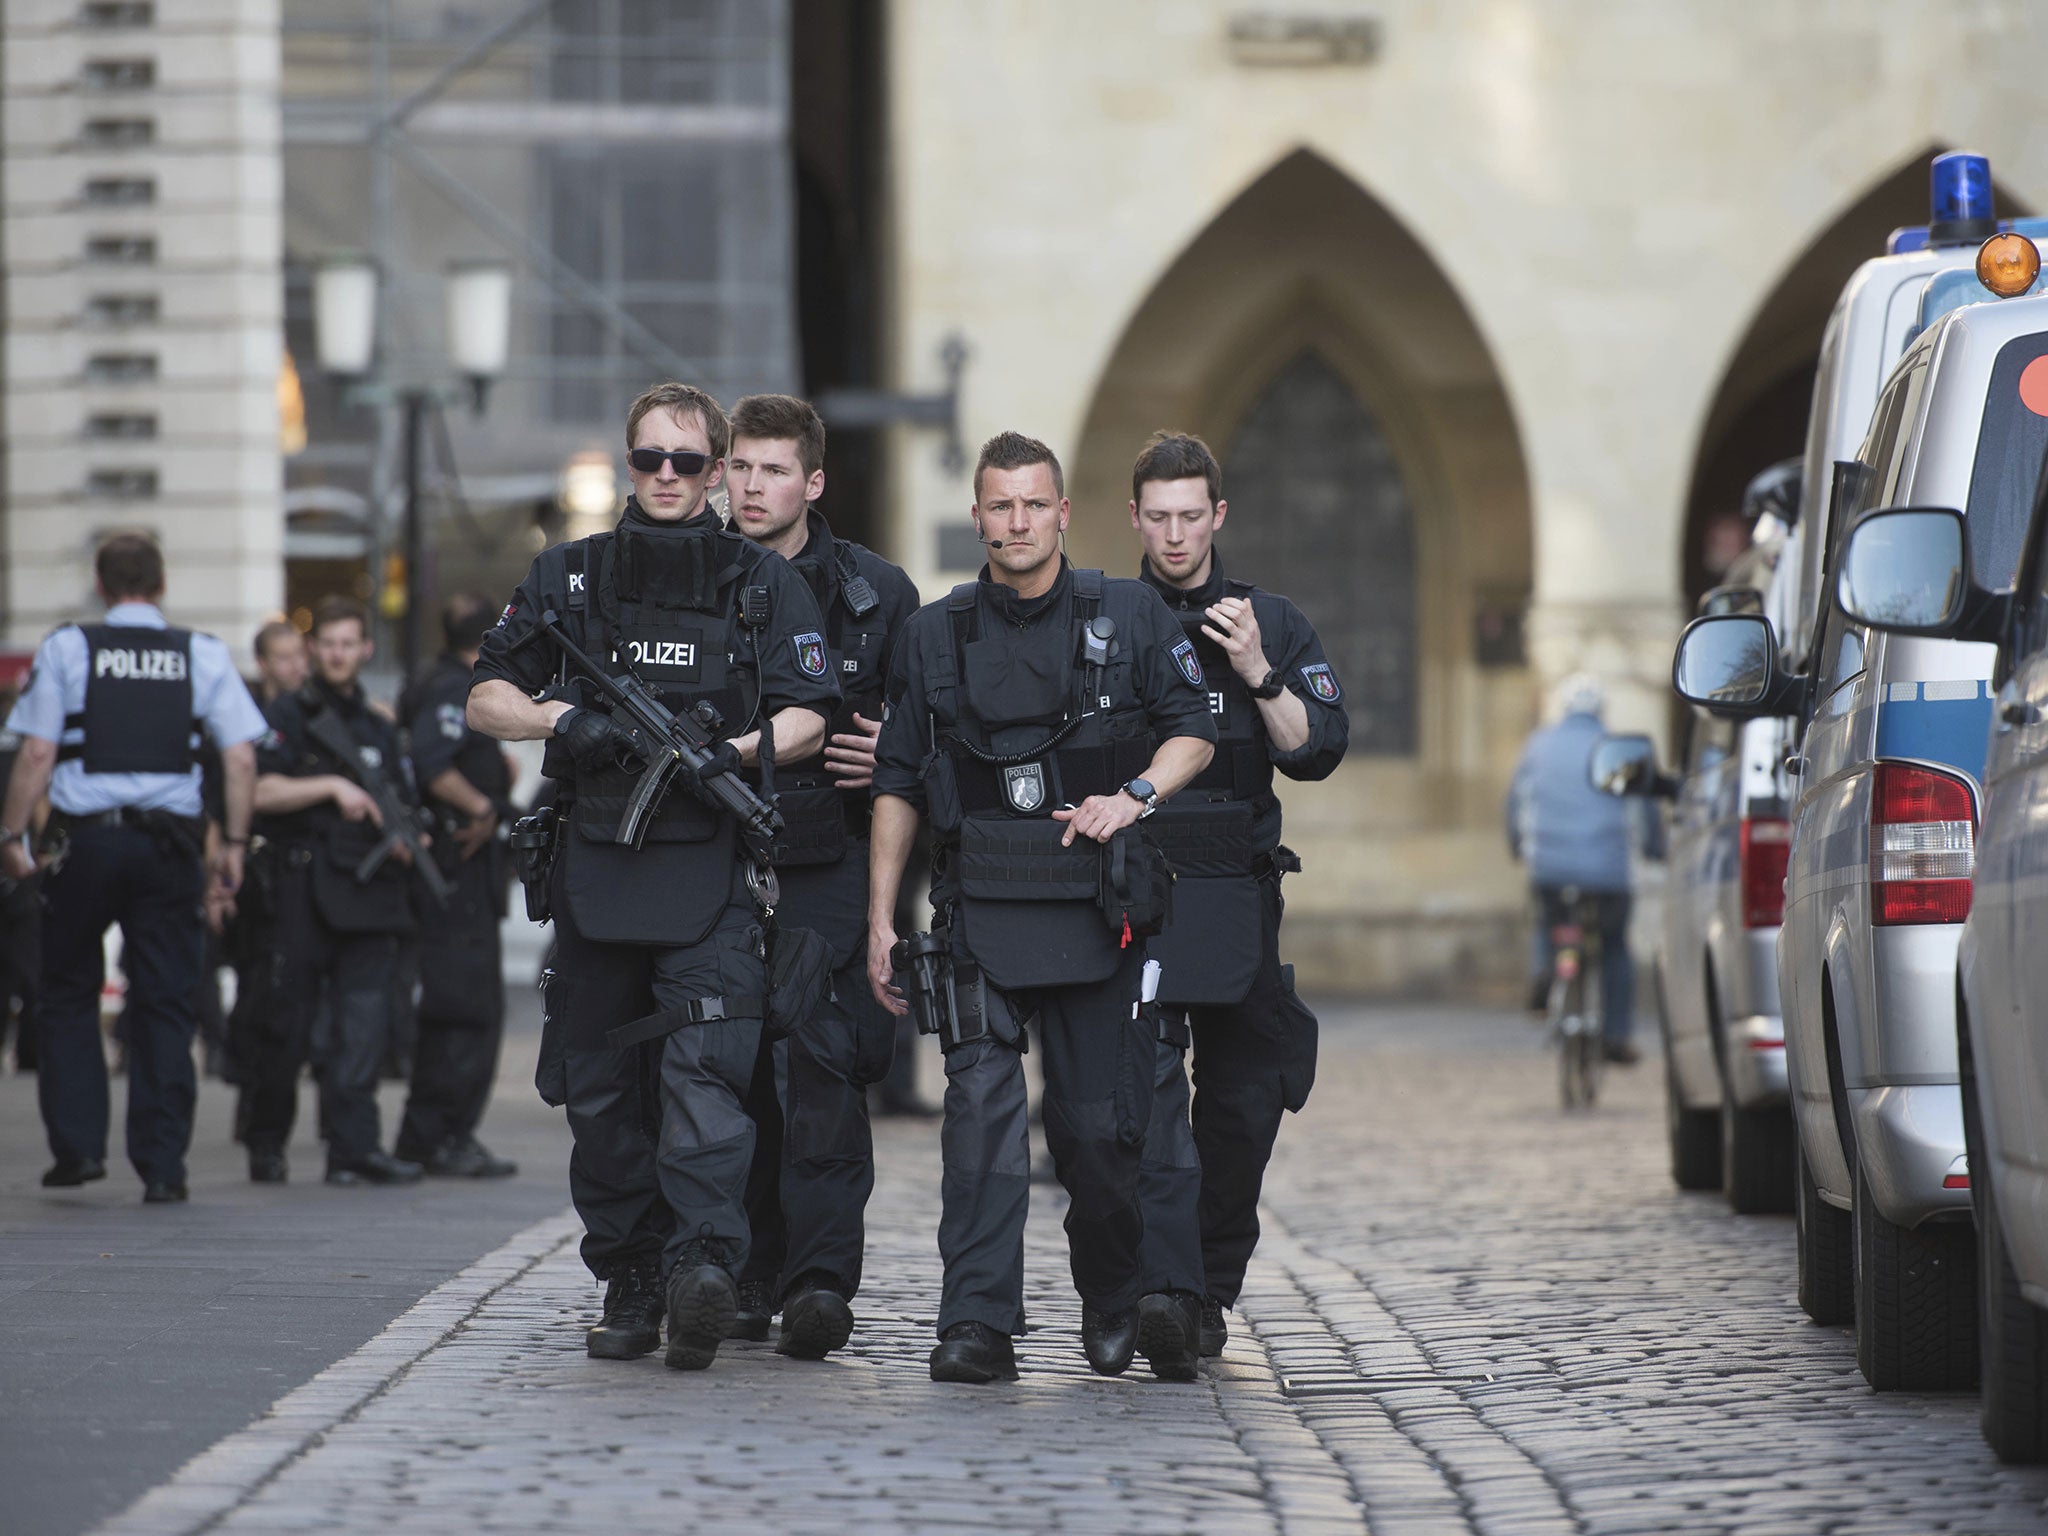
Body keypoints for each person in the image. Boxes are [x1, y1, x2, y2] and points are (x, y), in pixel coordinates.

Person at [469, 381, 838, 1372]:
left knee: (707, 1079)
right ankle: (630, 1277)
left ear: (717, 470)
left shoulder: (760, 583)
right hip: (596, 872)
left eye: (685, 461)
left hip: (710, 878)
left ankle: (703, 1267)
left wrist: (739, 749)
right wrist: (560, 719)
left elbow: (813, 707)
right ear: (628, 463)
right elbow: (485, 694)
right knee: (600, 1095)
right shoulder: (568, 577)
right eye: (647, 460)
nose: (665, 478)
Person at [867, 430, 1218, 1385]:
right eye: (999, 505)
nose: (1016, 522)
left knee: (1099, 1134)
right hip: (979, 910)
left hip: (1100, 914)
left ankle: (1113, 1296)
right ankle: (977, 1323)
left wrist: (1133, 796)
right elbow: (896, 783)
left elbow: (1196, 733)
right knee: (978, 1122)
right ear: (977, 515)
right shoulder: (932, 634)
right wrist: (879, 922)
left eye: (1033, 504)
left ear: (1062, 513)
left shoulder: (1133, 614)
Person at [1123, 431, 1348, 1362]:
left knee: (1242, 1106)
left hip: (1239, 898)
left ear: (1218, 516)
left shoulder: (1274, 620)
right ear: (1134, 518)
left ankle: (1207, 1290)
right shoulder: (1110, 616)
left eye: (1191, 516)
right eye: (1158, 517)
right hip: (1135, 896)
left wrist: (1257, 669)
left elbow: (1317, 751)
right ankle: (1161, 1290)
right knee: (1137, 1107)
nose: (1175, 536)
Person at [721, 393, 920, 1358]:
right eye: (740, 467)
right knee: (730, 1072)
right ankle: (746, 1270)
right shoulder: (696, 575)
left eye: (772, 470)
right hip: (712, 865)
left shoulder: (879, 593)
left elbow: (929, 742)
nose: (752, 487)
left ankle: (818, 1283)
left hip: (831, 857)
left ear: (813, 482)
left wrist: (897, 755)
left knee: (825, 1071)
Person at [0, 532, 264, 1201]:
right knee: (166, 1001)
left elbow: (35, 752)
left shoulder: (68, 647)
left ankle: (79, 1150)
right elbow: (238, 758)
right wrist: (232, 842)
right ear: (162, 584)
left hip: (85, 845)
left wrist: (10, 835)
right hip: (169, 850)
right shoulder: (198, 652)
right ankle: (163, 1167)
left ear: (101, 582)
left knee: (65, 991)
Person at [237, 595, 431, 1186]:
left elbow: (406, 803)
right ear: (312, 648)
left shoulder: (378, 724)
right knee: (286, 1024)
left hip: (371, 892)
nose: (339, 654)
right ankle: (267, 1142)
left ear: (366, 649)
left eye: (350, 643)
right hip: (303, 886)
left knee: (362, 1026)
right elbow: (259, 792)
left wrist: (406, 836)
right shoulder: (289, 714)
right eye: (329, 644)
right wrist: (329, 788)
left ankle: (353, 1148)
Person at [393, 594, 520, 1179]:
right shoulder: (455, 687)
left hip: (451, 871)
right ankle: (444, 1134)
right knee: (466, 1008)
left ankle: (430, 1133)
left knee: (456, 1004)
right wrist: (484, 808)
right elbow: (431, 760)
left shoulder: (434, 678)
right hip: (456, 870)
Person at [1506, 673, 1645, 1065]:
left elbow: (1515, 804)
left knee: (1546, 922)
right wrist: (1654, 848)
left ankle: (1545, 970)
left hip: (1550, 868)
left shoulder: (1538, 745)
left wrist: (1518, 846)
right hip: (1607, 874)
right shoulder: (1619, 748)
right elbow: (1644, 813)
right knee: (1615, 947)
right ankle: (1616, 1037)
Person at [0, 689, 43, 1073]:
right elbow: (41, 800)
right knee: (30, 966)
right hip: (19, 861)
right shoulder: (33, 742)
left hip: (12, 858)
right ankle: (30, 1053)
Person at [252, 619, 308, 703]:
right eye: (284, 657)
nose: (297, 664)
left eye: (300, 653)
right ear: (262, 663)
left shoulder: (318, 706)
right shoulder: (249, 707)